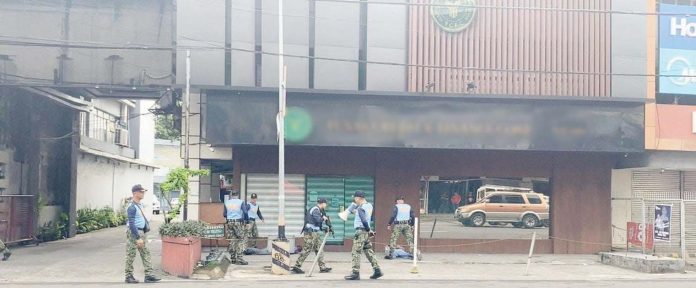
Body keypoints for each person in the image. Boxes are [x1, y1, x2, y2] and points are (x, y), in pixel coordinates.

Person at [125, 184, 161, 284]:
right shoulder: (131, 207)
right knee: (131, 254)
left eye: (143, 191)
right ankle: (128, 276)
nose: (143, 193)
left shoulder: (139, 205)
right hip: (134, 232)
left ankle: (149, 275)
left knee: (145, 253)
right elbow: (131, 223)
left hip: (141, 232)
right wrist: (137, 237)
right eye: (141, 192)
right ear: (135, 193)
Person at [345, 191, 383, 281]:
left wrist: (368, 229)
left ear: (359, 198)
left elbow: (363, 219)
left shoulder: (361, 207)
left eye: (355, 198)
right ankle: (377, 270)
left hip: (361, 231)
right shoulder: (369, 206)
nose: (355, 200)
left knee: (356, 252)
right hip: (365, 233)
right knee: (368, 251)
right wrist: (369, 229)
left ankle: (355, 273)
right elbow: (369, 217)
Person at [291, 197, 332, 274]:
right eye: (325, 203)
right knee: (307, 249)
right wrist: (323, 218)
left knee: (319, 249)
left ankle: (322, 267)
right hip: (310, 233)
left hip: (315, 233)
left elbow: (316, 223)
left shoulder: (319, 210)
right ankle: (297, 266)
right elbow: (318, 220)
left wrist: (323, 228)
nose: (326, 205)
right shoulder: (315, 210)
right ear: (323, 203)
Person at [385, 196, 415, 260]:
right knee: (410, 239)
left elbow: (393, 216)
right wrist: (412, 225)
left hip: (398, 225)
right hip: (407, 224)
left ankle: (391, 253)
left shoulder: (397, 206)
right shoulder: (408, 206)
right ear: (403, 201)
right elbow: (412, 215)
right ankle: (413, 253)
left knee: (394, 238)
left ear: (397, 201)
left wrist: (389, 224)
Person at [225, 189, 249, 265]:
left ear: (231, 195)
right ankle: (240, 257)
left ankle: (233, 258)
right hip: (237, 222)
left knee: (233, 239)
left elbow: (224, 214)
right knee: (242, 238)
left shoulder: (227, 202)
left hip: (229, 222)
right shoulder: (240, 202)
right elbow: (245, 212)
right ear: (237, 195)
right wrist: (247, 221)